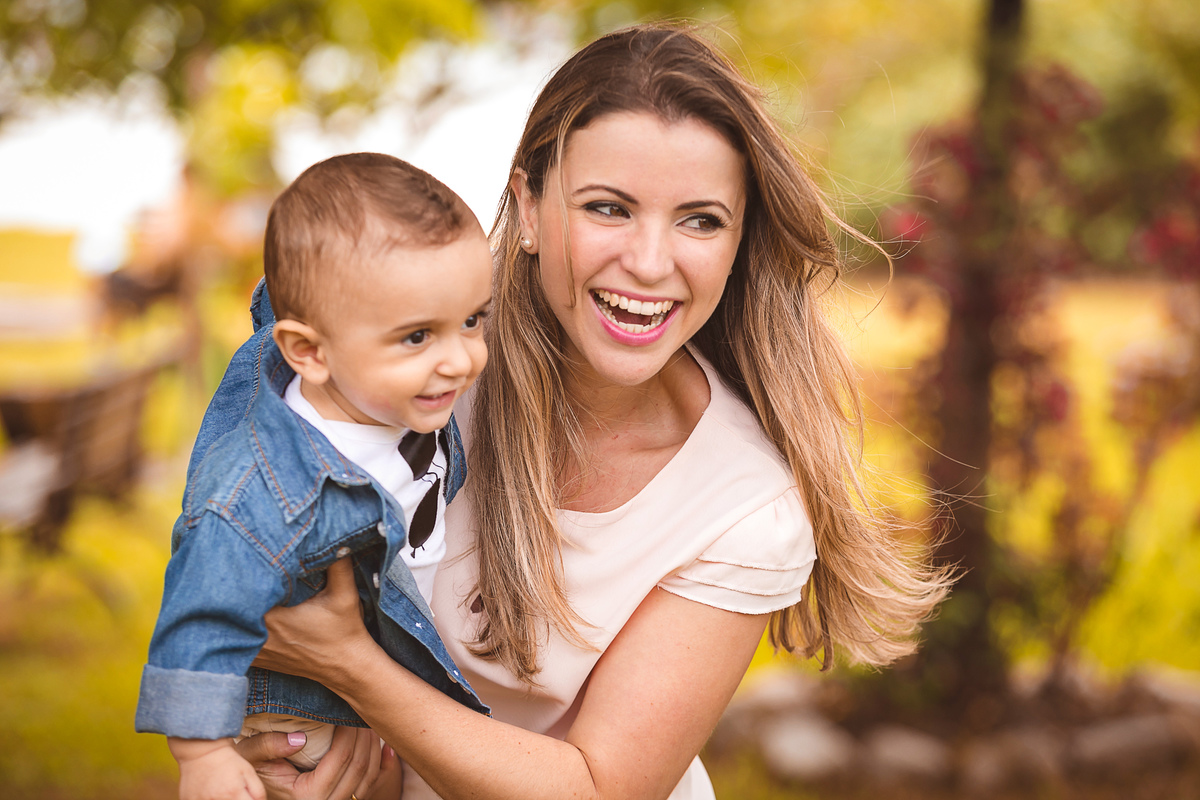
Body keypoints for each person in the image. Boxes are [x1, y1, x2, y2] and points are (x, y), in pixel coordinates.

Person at [239, 23, 953, 800]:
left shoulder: (745, 505)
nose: (648, 262)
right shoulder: (414, 365)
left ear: (739, 241)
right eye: (609, 208)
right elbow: (251, 529)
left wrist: (352, 672)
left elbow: (599, 788)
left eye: (700, 219)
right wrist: (299, 741)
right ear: (530, 208)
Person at [134, 153, 494, 800]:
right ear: (309, 352)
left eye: (472, 320)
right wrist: (204, 756)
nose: (460, 359)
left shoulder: (394, 398)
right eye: (418, 336)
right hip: (305, 722)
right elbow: (201, 612)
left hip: (384, 680)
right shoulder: (261, 490)